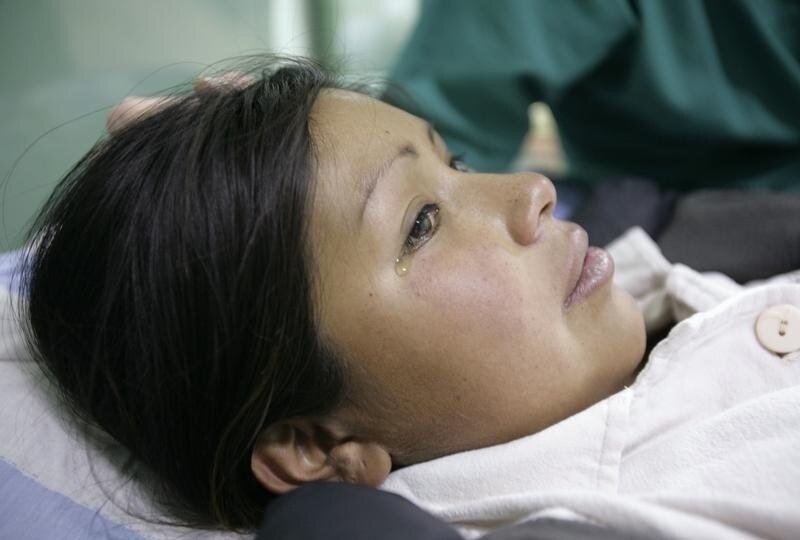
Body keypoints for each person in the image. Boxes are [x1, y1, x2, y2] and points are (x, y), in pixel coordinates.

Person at [19, 58, 800, 538]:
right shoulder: (594, 517)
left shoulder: (648, 266)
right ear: (313, 447)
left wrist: (243, 158)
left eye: (456, 162)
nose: (533, 190)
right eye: (422, 223)